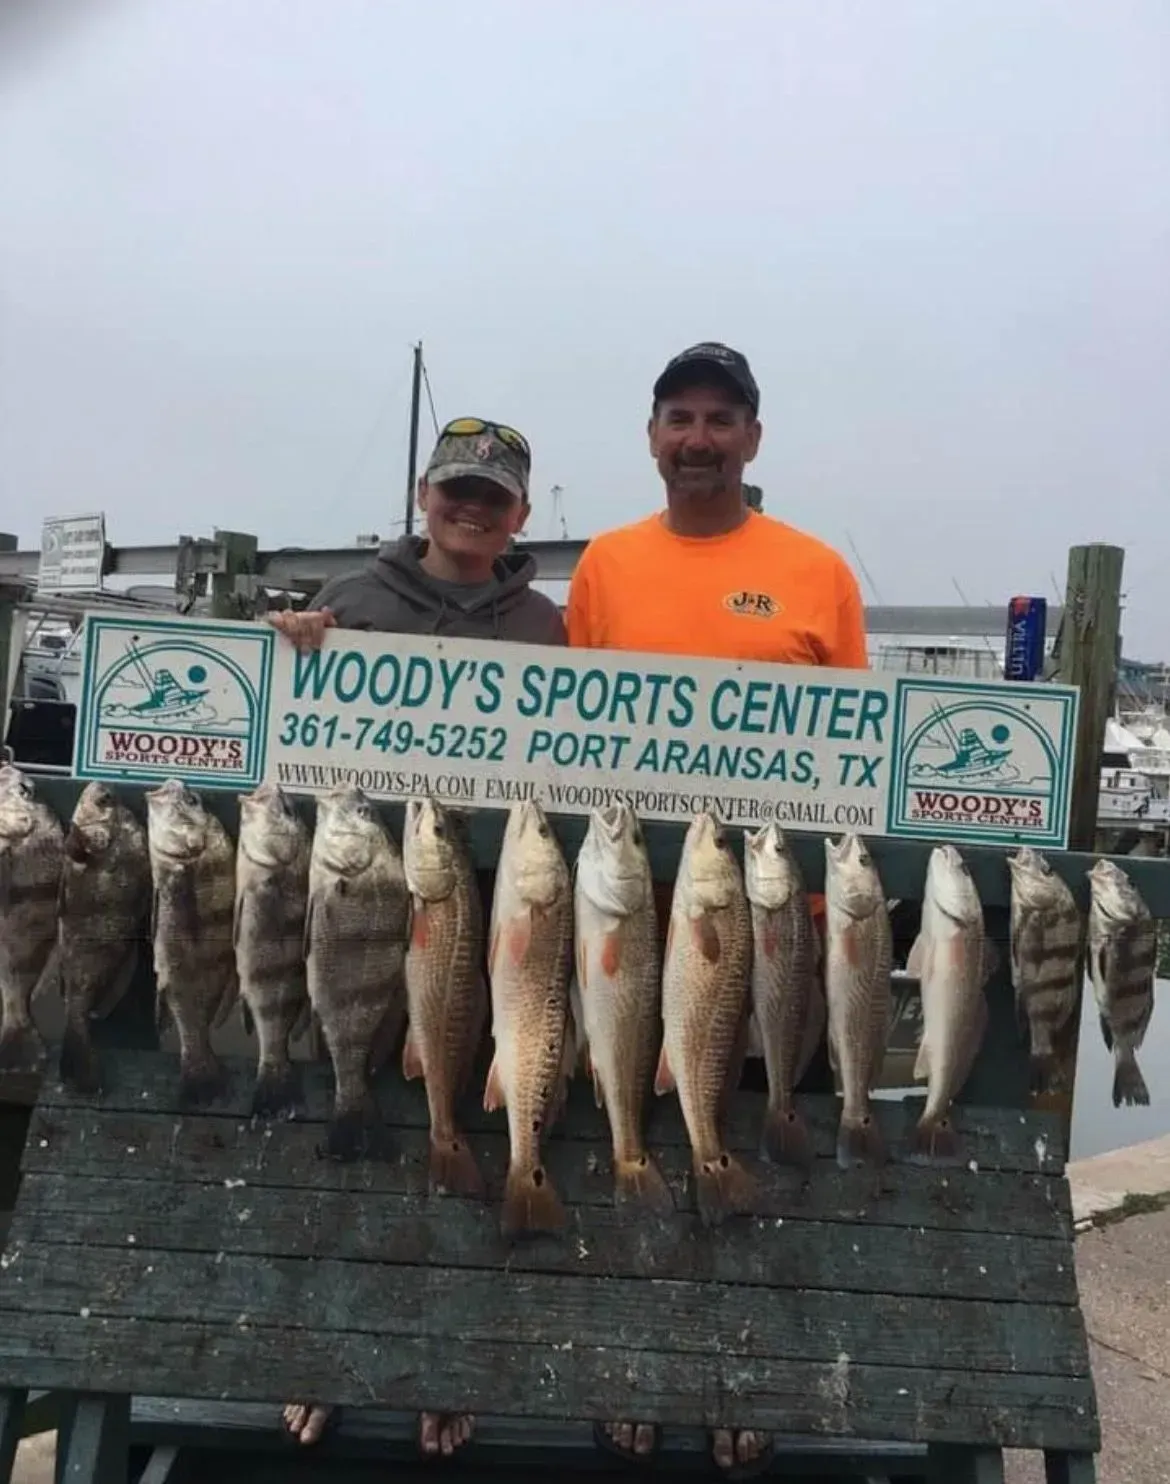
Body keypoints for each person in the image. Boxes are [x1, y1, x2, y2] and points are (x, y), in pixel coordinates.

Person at [566, 341, 868, 1479]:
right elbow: (557, 729)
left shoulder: (816, 569)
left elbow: (855, 753)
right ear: (651, 436)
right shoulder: (603, 562)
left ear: (753, 437)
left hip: (770, 908)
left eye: (719, 419)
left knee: (756, 1124)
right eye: (677, 418)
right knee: (619, 1132)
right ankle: (631, 1366)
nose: (697, 438)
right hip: (628, 905)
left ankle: (751, 1377)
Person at [272, 415, 565, 1462]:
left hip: (481, 919)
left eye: (492, 495)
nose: (470, 508)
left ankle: (446, 1361)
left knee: (460, 1135)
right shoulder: (349, 602)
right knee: (344, 1126)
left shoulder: (546, 627)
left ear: (520, 513)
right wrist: (288, 646)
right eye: (456, 489)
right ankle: (320, 1352)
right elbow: (283, 739)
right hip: (356, 913)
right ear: (422, 494)